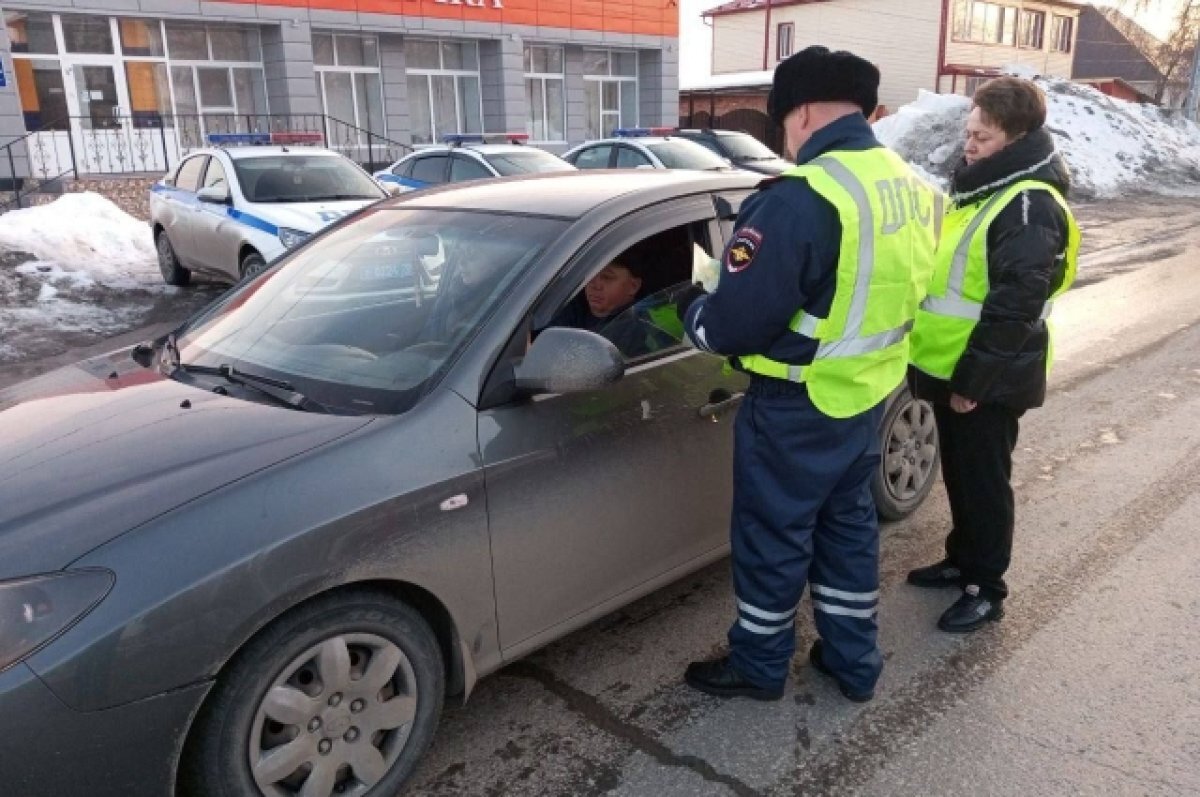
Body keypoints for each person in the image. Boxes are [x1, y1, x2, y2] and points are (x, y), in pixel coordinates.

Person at [679, 46, 939, 703]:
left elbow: (733, 326)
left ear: (798, 113)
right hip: (862, 400)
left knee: (772, 538)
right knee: (846, 531)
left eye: (782, 123)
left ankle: (760, 665)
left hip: (795, 407)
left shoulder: (804, 197)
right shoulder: (906, 185)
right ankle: (853, 660)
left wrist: (691, 311)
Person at [906, 77, 1079, 633]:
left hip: (987, 376)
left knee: (983, 480)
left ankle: (986, 586)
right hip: (954, 366)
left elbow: (1015, 305)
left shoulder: (1028, 204)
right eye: (968, 133)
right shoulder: (988, 189)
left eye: (982, 136)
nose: (969, 144)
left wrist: (973, 382)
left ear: (1017, 136)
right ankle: (963, 558)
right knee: (960, 472)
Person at [552, 260, 673, 357]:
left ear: (633, 286)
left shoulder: (642, 326)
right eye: (590, 274)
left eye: (607, 277)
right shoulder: (562, 307)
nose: (595, 285)